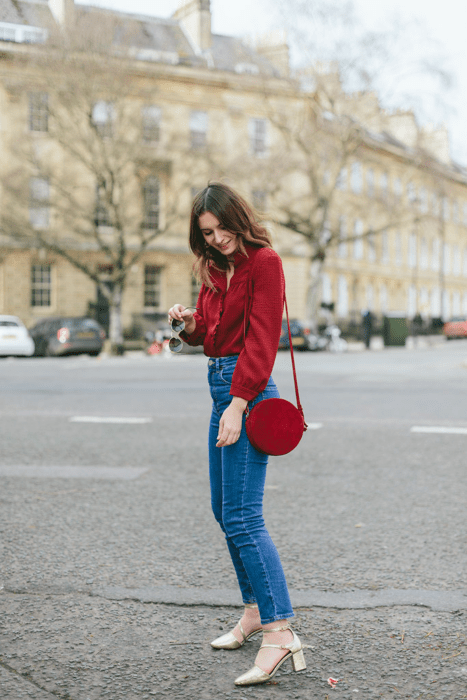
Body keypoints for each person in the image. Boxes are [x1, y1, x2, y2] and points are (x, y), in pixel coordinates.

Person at [168, 183, 306, 687]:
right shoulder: (212, 267)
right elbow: (209, 332)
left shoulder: (264, 262)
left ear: (239, 219)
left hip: (247, 389)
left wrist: (240, 404)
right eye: (208, 232)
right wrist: (187, 325)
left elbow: (263, 338)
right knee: (222, 508)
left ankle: (279, 630)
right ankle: (253, 611)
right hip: (220, 384)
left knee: (245, 516)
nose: (219, 238)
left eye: (224, 227)